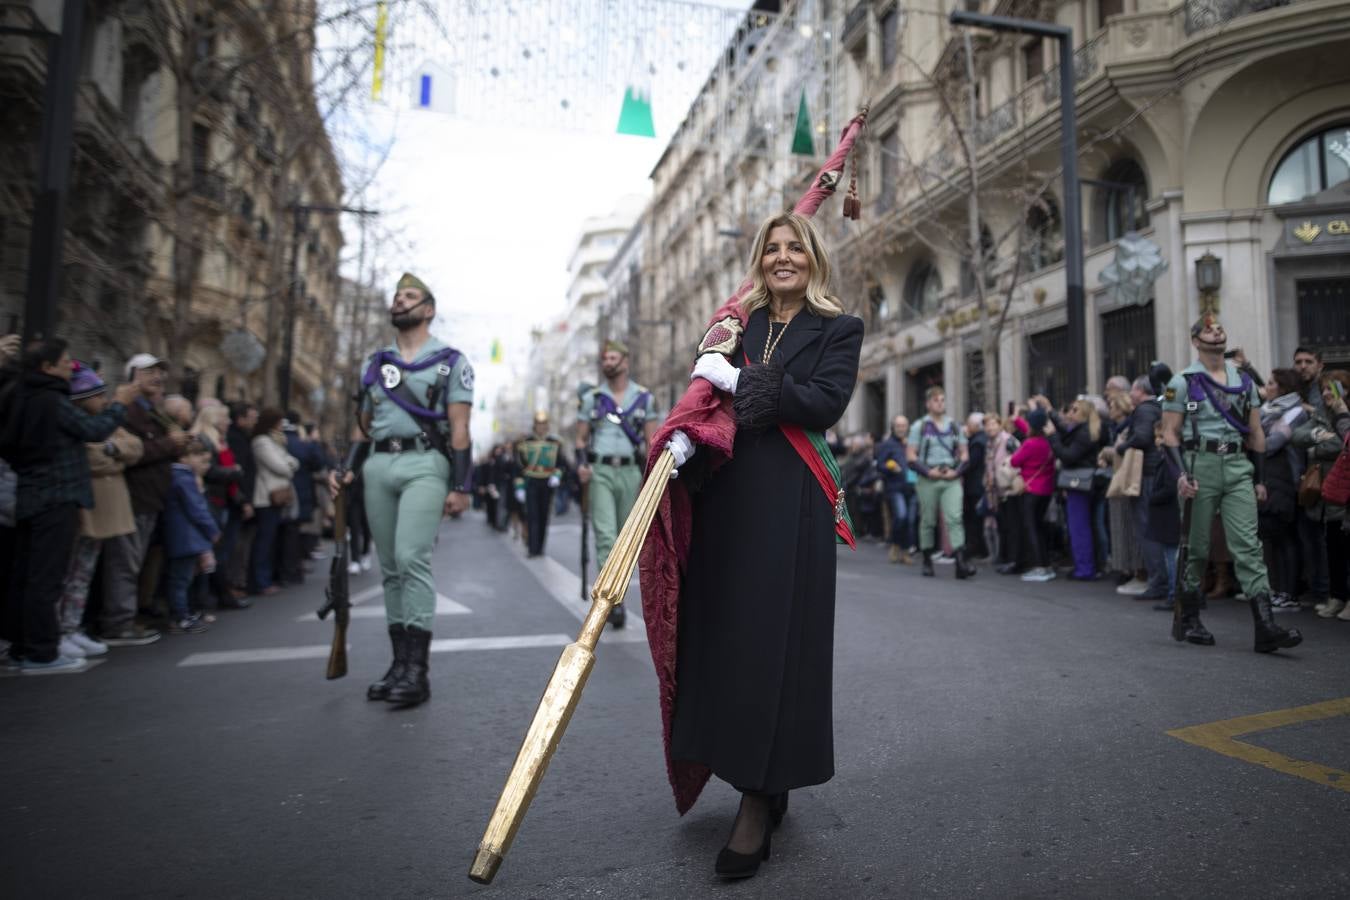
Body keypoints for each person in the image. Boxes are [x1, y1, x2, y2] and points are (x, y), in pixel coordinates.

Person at [654, 210, 864, 879]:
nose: (782, 258)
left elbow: (823, 402)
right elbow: (708, 403)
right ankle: (757, 775)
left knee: (777, 647)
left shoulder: (839, 328)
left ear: (813, 258)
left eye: (793, 248)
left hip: (792, 504)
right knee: (730, 641)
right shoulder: (733, 325)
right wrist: (688, 434)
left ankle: (759, 798)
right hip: (728, 498)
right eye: (771, 249)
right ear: (759, 259)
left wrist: (740, 380)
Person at [330, 272, 474, 707]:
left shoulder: (451, 361)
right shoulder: (375, 364)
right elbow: (363, 427)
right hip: (378, 463)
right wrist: (347, 469)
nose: (399, 301)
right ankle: (398, 665)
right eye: (396, 296)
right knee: (389, 566)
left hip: (424, 463)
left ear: (428, 309)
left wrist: (462, 484)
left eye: (409, 296)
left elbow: (460, 427)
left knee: (412, 558)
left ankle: (418, 672)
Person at [1161, 315, 1301, 652]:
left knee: (1248, 546)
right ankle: (1191, 618)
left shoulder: (1245, 382)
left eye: (1220, 328)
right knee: (1196, 547)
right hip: (1199, 466)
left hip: (1238, 466)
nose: (1216, 331)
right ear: (1195, 340)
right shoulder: (1181, 382)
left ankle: (1266, 627)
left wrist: (1261, 478)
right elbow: (1168, 434)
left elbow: (1256, 433)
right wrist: (1181, 476)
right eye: (1208, 329)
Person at [3, 341, 131, 671]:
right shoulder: (51, 399)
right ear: (46, 367)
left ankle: (21, 645)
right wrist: (119, 405)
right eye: (63, 363)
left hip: (32, 493)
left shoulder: (21, 395)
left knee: (28, 575)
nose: (68, 368)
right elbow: (93, 429)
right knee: (47, 578)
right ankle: (41, 651)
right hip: (56, 495)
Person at [58, 364, 143, 660]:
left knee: (84, 572)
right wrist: (114, 454)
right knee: (66, 573)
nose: (105, 401)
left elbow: (134, 447)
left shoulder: (106, 422)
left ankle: (72, 626)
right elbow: (88, 458)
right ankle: (59, 630)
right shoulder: (78, 421)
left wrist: (111, 450)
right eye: (99, 396)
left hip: (108, 507)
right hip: (85, 507)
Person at [106, 353, 192, 645]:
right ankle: (118, 622)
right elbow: (132, 452)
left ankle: (128, 616)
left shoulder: (154, 411)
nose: (157, 378)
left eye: (159, 372)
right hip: (134, 496)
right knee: (125, 562)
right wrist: (169, 443)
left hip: (151, 497)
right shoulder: (127, 410)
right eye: (148, 372)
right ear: (131, 376)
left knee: (137, 561)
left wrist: (177, 443)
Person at [575, 339, 657, 627]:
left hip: (631, 472)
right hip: (600, 471)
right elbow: (581, 439)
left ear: (625, 361)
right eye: (605, 359)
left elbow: (651, 441)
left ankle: (616, 591)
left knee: (626, 540)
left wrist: (651, 477)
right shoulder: (593, 399)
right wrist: (581, 465)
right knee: (606, 536)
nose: (607, 363)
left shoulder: (644, 398)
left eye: (613, 358)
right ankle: (612, 603)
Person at [1293, 370, 1350, 619]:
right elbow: (1297, 436)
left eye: (1333, 389)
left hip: (1344, 492)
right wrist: (1318, 435)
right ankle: (1336, 597)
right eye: (1324, 389)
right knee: (1333, 549)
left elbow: (1341, 444)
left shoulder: (1343, 415)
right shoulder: (1320, 414)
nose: (1327, 394)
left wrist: (1316, 451)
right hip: (1327, 494)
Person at [908, 386, 975, 578]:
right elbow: (911, 456)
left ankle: (960, 562)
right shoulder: (920, 426)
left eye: (943, 400)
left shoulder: (954, 426)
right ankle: (927, 560)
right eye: (936, 400)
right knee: (928, 520)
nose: (940, 403)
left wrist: (956, 471)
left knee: (954, 517)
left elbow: (964, 454)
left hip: (950, 478)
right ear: (928, 403)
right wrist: (929, 471)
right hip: (928, 478)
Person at [1257, 368, 1308, 614]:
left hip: (1285, 479)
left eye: (1271, 383)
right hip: (1269, 479)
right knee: (1272, 536)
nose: (1266, 387)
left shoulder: (1295, 412)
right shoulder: (1268, 411)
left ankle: (1290, 593)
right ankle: (1278, 590)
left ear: (1283, 388)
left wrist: (1255, 436)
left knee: (1285, 536)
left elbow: (1271, 444)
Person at [191, 403, 247, 609]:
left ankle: (214, 595)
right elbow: (208, 471)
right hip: (210, 500)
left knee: (217, 552)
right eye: (225, 418)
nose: (229, 422)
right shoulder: (204, 440)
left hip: (222, 500)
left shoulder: (219, 441)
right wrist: (234, 471)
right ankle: (204, 599)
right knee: (208, 552)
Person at [1041, 396, 1102, 581]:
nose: (1070, 413)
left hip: (1080, 482)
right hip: (1082, 481)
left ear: (1084, 413)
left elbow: (1068, 455)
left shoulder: (1084, 433)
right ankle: (1084, 566)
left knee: (1079, 527)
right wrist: (1050, 412)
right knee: (1080, 526)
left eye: (1075, 409)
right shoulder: (1082, 430)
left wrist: (1052, 436)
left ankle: (1085, 568)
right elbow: (1065, 432)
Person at [163, 440, 218, 634]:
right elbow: (197, 508)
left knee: (184, 578)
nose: (201, 459)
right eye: (195, 455)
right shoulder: (183, 478)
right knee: (180, 579)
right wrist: (212, 530)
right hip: (185, 536)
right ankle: (180, 616)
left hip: (185, 536)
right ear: (183, 457)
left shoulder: (180, 476)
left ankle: (185, 613)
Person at [1121, 375, 1166, 601]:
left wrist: (1121, 447)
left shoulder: (1144, 410)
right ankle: (1161, 580)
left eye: (1133, 390)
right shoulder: (1157, 407)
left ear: (1140, 390)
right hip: (1154, 472)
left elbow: (1141, 437)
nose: (1129, 394)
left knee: (1147, 529)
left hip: (1146, 475)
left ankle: (1158, 581)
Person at [249, 408, 298, 596]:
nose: (281, 425)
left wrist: (288, 464)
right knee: (264, 540)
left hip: (278, 496)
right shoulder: (262, 442)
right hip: (267, 497)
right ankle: (260, 581)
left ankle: (266, 578)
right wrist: (289, 465)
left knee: (271, 540)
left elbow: (292, 461)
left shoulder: (275, 441)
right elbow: (281, 466)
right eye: (279, 421)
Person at [1009, 408, 1056, 581]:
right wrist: (1016, 420)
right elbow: (1028, 427)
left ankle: (1039, 566)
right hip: (1046, 490)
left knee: (1031, 528)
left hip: (1031, 490)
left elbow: (1015, 461)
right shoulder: (1048, 441)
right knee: (1040, 527)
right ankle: (1046, 565)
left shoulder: (1030, 443)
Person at [516, 411, 567, 557]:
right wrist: (519, 487)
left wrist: (557, 475)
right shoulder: (525, 443)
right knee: (532, 515)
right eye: (539, 424)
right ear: (534, 426)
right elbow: (519, 466)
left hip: (547, 482)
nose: (541, 427)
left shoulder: (555, 442)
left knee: (544, 515)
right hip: (531, 481)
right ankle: (532, 549)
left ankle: (540, 548)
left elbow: (562, 463)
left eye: (544, 424)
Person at [875, 415, 913, 563]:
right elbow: (879, 465)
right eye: (898, 426)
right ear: (893, 427)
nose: (901, 429)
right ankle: (895, 545)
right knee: (901, 516)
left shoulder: (912, 442)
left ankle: (905, 551)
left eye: (904, 426)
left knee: (909, 520)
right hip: (895, 487)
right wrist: (891, 468)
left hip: (912, 486)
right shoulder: (887, 444)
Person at [962, 412, 989, 560]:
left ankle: (977, 548)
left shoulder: (977, 442)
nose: (967, 426)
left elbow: (970, 463)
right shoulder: (978, 440)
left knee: (974, 518)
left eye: (969, 423)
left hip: (975, 486)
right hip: (976, 485)